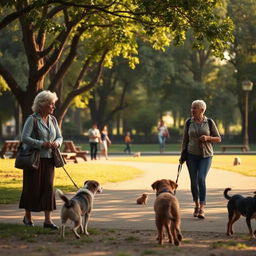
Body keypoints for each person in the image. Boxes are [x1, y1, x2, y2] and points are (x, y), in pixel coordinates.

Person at [19, 90, 63, 229]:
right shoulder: (32, 119)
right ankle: (27, 217)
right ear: (42, 104)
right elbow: (24, 138)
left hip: (49, 159)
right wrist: (41, 144)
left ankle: (48, 221)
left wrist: (57, 143)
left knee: (48, 188)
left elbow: (60, 137)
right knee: (31, 187)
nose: (53, 107)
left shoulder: (53, 120)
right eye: (51, 104)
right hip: (34, 160)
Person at [179, 100, 221, 219]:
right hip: (191, 155)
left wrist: (208, 137)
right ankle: (196, 205)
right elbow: (185, 140)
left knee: (201, 178)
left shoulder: (209, 122)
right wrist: (183, 155)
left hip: (206, 155)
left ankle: (202, 207)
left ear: (202, 110)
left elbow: (218, 139)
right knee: (193, 181)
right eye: (192, 108)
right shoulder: (188, 122)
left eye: (195, 108)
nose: (192, 110)